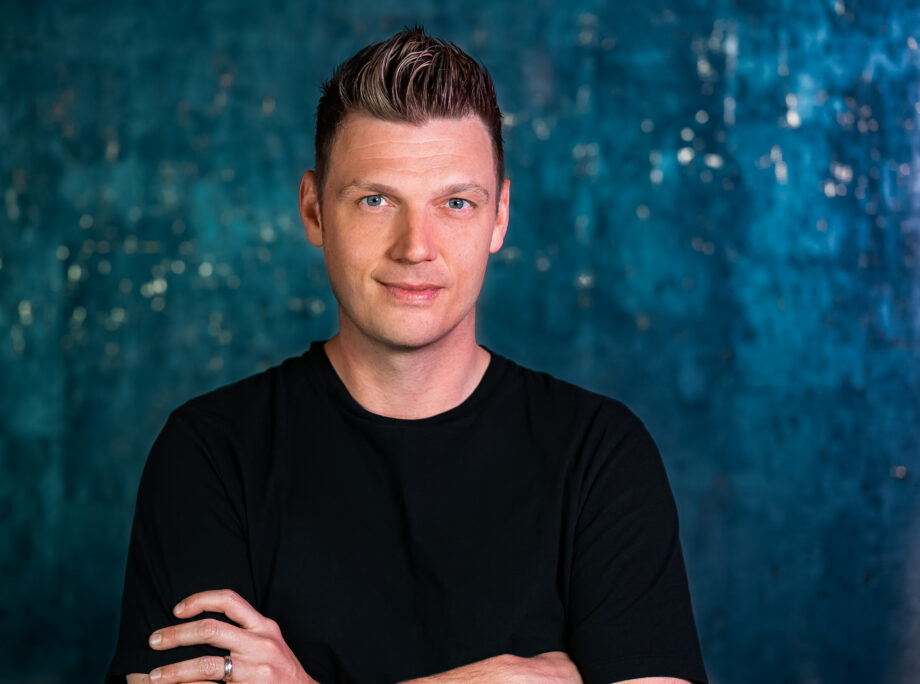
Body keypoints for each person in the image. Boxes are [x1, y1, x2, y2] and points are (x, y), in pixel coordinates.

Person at [107, 27, 707, 684]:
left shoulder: (599, 454)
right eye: (376, 200)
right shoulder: (212, 455)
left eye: (456, 202)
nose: (415, 246)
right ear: (313, 210)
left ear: (499, 216)